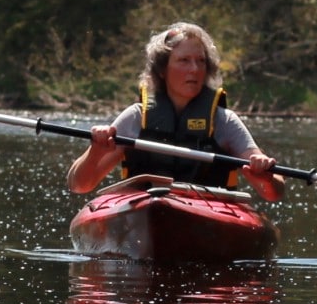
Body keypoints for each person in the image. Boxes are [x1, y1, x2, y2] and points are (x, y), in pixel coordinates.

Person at [67, 22, 284, 200]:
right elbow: (79, 185)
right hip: (144, 208)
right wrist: (96, 151)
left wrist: (264, 175)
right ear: (162, 69)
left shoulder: (224, 121)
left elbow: (274, 193)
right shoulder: (136, 118)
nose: (195, 69)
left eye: (201, 61)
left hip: (208, 213)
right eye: (184, 60)